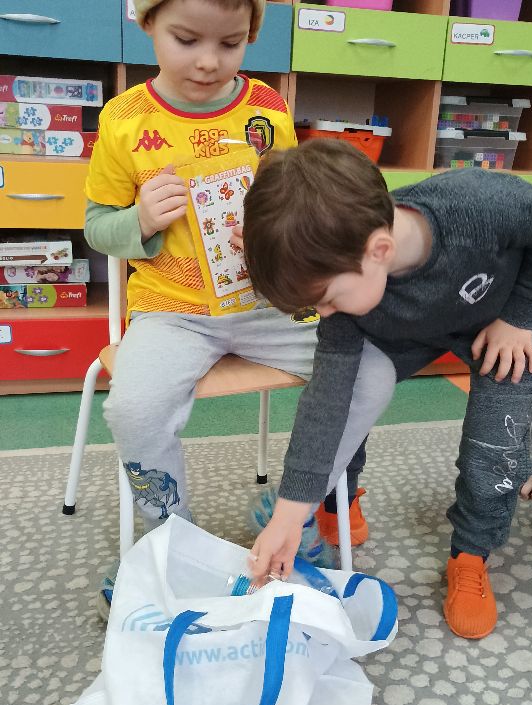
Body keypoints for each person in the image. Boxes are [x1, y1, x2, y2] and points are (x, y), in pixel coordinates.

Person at [83, 0, 378, 619]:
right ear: (147, 23)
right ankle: (170, 537)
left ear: (251, 35)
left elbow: (299, 201)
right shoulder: (124, 119)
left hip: (271, 300)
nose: (208, 62)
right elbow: (96, 228)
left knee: (370, 373)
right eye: (186, 39)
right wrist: (139, 221)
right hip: (172, 311)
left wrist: (279, 231)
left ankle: (297, 509)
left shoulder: (266, 108)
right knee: (133, 408)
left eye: (231, 43)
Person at [241, 138, 532, 639]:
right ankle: (339, 501)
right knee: (354, 391)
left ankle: (471, 553)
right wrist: (290, 516)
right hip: (401, 331)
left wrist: (519, 317)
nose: (325, 314)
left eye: (328, 299)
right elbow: (327, 406)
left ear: (379, 251)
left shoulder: (480, 204)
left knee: (498, 442)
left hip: (496, 325)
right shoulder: (348, 291)